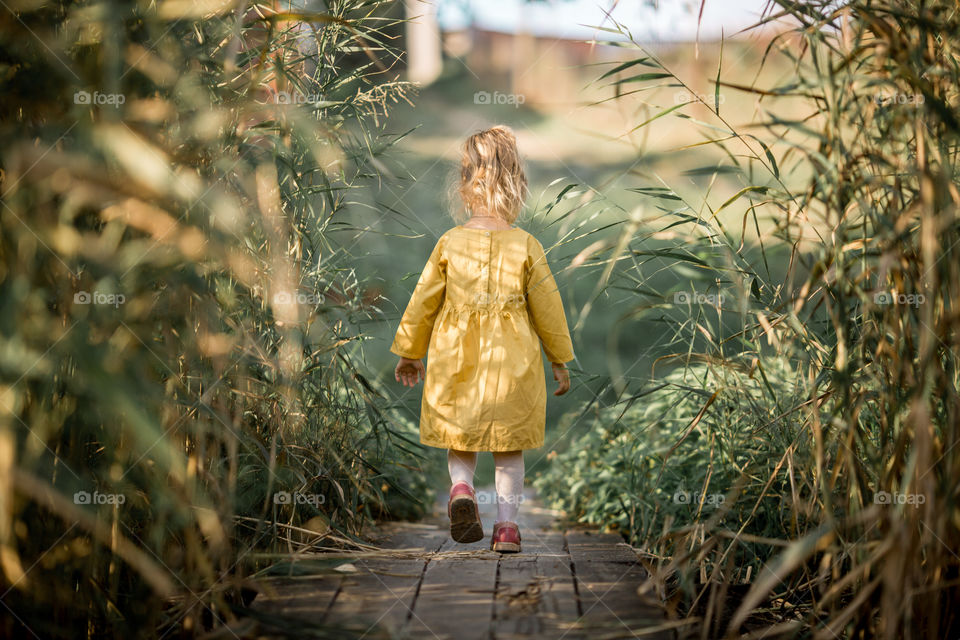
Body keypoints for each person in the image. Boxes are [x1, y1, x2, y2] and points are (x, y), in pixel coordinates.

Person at [390, 125, 575, 553]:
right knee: (509, 452)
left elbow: (423, 303)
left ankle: (460, 490)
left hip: (457, 362)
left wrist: (410, 353)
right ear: (517, 184)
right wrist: (559, 359)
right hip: (513, 366)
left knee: (461, 439)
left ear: (463, 184)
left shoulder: (449, 243)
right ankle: (506, 529)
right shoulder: (527, 245)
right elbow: (548, 308)